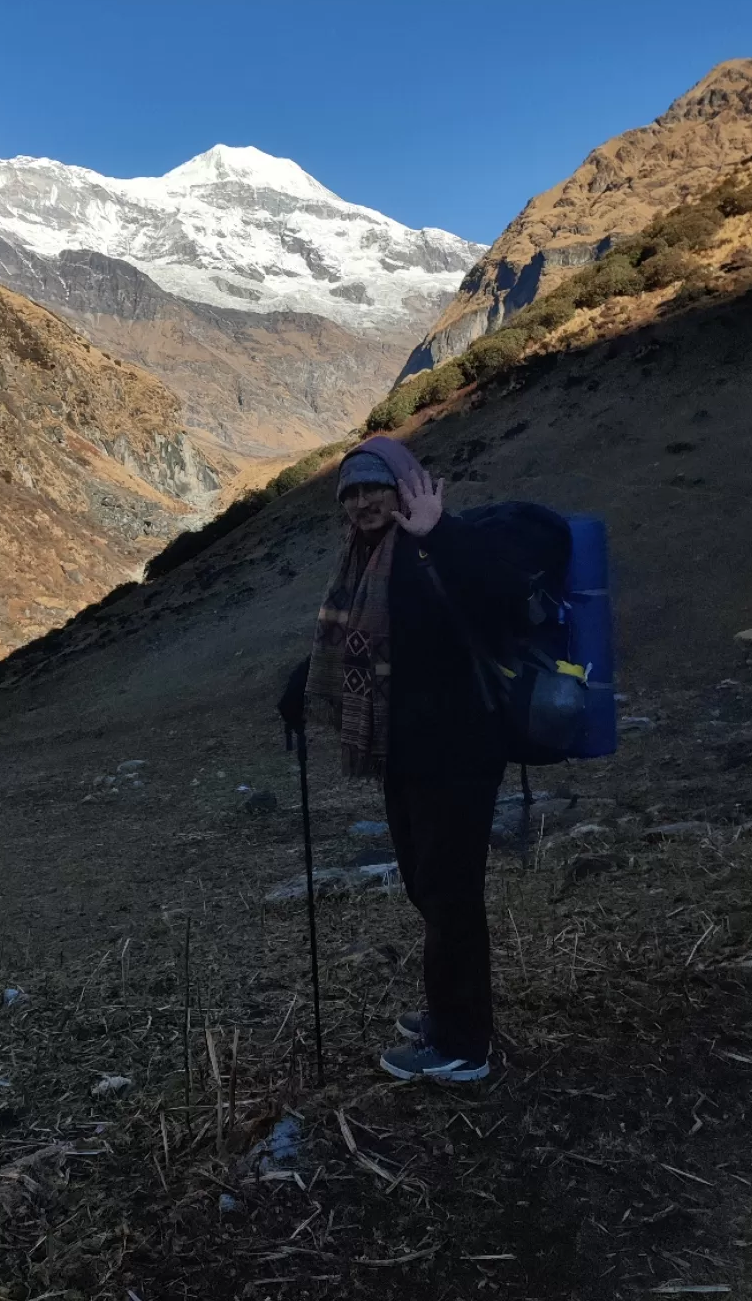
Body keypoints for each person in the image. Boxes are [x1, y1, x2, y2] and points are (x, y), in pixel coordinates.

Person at [279, 435, 531, 1083]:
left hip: (460, 748)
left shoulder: (435, 544)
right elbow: (367, 645)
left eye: (375, 488)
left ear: (404, 488)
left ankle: (462, 1046)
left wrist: (437, 532)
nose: (364, 502)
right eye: (353, 493)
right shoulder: (365, 561)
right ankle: (450, 1011)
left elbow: (501, 592)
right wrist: (303, 682)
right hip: (408, 753)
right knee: (428, 885)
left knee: (450, 895)